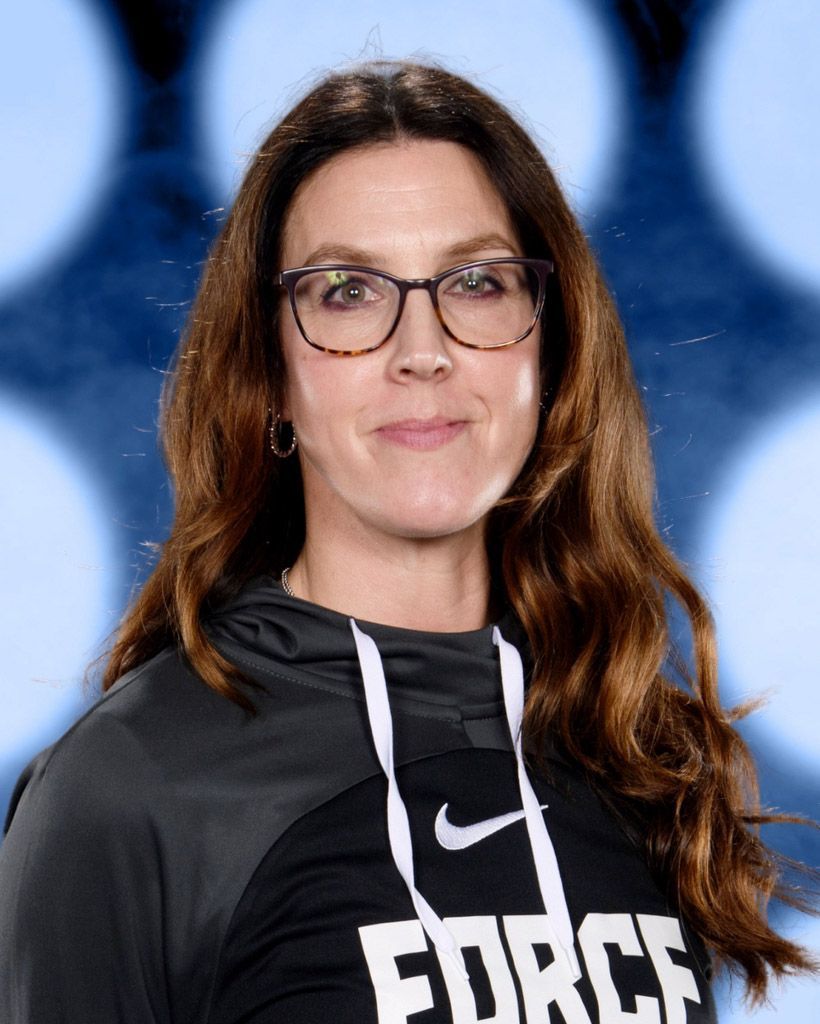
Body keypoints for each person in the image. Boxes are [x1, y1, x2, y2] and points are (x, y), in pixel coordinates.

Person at [0, 60, 814, 1024]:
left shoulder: (632, 752)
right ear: (271, 371)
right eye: (347, 291)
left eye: (476, 283)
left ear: (549, 349)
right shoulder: (132, 786)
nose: (421, 351)